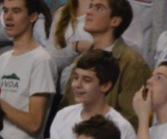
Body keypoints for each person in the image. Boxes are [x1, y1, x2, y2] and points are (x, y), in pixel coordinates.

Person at [48, 50, 137, 139]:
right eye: (75, 77)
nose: (77, 85)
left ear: (105, 86)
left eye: (87, 80)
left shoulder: (121, 127)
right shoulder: (63, 115)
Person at [63, 0, 149, 129]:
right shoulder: (82, 59)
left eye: (98, 8)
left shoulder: (132, 63)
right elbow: (67, 105)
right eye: (90, 6)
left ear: (115, 21)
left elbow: (132, 118)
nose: (88, 12)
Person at [0, 0, 55, 139]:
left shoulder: (41, 60)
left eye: (16, 11)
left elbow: (34, 124)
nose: (8, 17)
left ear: (32, 17)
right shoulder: (3, 59)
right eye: (5, 11)